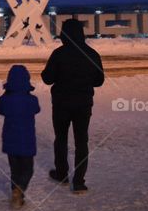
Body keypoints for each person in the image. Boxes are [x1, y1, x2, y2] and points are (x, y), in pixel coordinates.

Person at [42, 18, 105, 194]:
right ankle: (79, 181)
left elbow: (47, 78)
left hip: (61, 103)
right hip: (83, 104)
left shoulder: (59, 54)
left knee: (60, 138)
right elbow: (99, 81)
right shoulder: (91, 54)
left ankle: (62, 173)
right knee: (81, 141)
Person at [0, 65, 40, 208]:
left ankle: (16, 193)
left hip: (10, 140)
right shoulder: (31, 100)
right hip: (26, 141)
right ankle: (19, 190)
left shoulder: (5, 99)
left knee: (15, 170)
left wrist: (6, 92)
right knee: (28, 169)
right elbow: (37, 109)